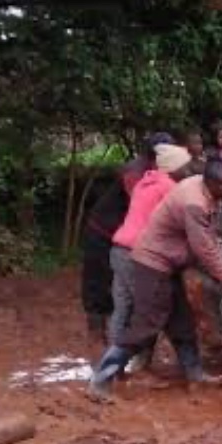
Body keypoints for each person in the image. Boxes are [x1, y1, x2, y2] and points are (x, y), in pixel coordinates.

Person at [87, 160, 222, 403]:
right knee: (147, 324)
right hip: (154, 264)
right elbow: (204, 250)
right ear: (212, 183)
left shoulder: (199, 187)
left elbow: (207, 239)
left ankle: (195, 373)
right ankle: (101, 380)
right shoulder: (195, 203)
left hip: (167, 262)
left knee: (181, 321)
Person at [79, 132, 172, 344]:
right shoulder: (135, 172)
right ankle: (98, 333)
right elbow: (140, 206)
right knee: (99, 282)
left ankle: (116, 340)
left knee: (120, 292)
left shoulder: (153, 171)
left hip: (122, 234)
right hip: (103, 230)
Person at [108, 143, 194, 345]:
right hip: (140, 254)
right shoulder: (171, 189)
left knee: (123, 307)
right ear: (173, 168)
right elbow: (185, 226)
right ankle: (134, 361)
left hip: (118, 250)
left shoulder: (144, 183)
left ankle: (113, 362)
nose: (189, 171)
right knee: (148, 310)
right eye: (185, 166)